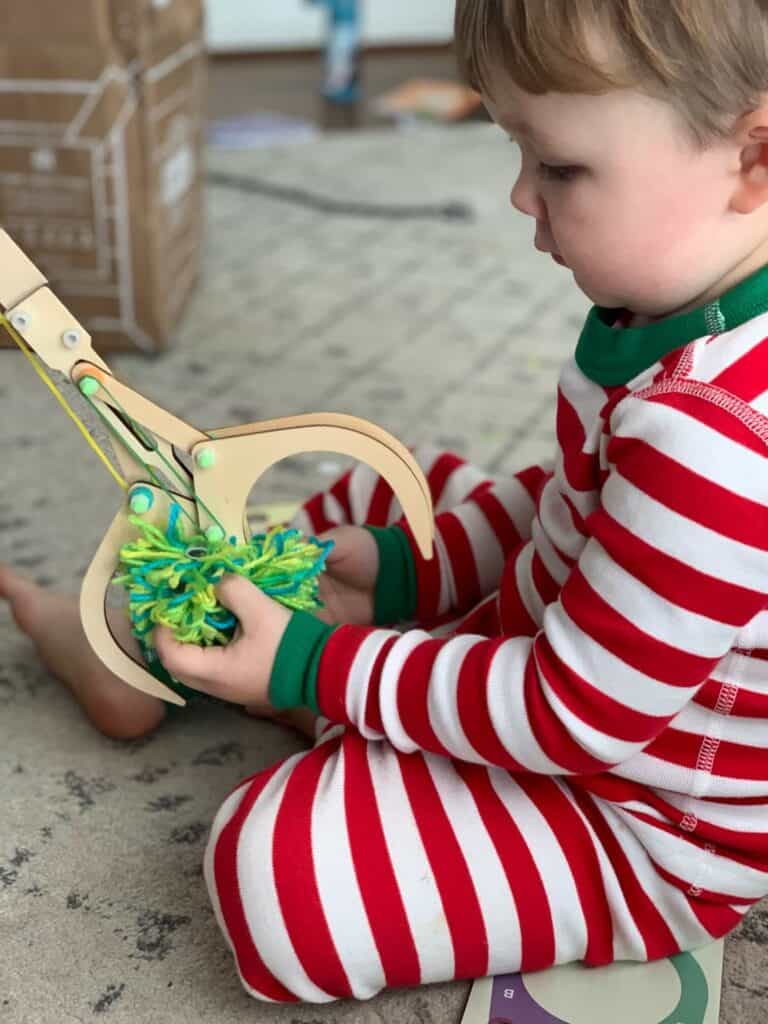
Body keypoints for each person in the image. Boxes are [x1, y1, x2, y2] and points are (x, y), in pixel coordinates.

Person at [4, 0, 768, 1005]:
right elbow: (580, 503)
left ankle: (262, 674)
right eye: (518, 151)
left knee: (277, 872)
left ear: (755, 161)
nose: (519, 196)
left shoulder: (716, 441)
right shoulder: (673, 318)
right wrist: (419, 567)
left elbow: (573, 716)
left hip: (636, 814)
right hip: (569, 645)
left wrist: (317, 667)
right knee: (386, 499)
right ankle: (174, 654)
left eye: (561, 167)